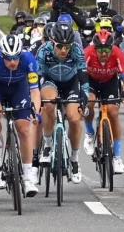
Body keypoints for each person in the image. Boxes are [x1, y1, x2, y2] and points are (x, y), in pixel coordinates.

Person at [0, 34, 41, 197]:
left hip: (19, 90)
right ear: (2, 55)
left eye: (16, 58)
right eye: (8, 58)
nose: (13, 62)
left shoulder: (29, 59)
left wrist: (36, 112)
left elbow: (35, 91)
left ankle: (28, 177)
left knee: (23, 129)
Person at [36, 22, 88, 184]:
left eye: (67, 46)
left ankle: (74, 159)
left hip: (70, 84)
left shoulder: (77, 50)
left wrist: (84, 95)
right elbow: (36, 78)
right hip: (50, 82)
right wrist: (37, 99)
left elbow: (83, 76)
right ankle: (47, 145)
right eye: (60, 46)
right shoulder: (43, 50)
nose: (64, 50)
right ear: (52, 43)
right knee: (49, 104)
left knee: (74, 119)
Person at [83, 30, 124, 174]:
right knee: (89, 104)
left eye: (107, 49)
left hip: (110, 82)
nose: (103, 53)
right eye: (100, 50)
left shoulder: (118, 53)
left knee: (113, 113)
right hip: (92, 82)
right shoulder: (88, 53)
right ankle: (89, 133)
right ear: (95, 48)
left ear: (111, 48)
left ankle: (118, 156)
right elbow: (80, 74)